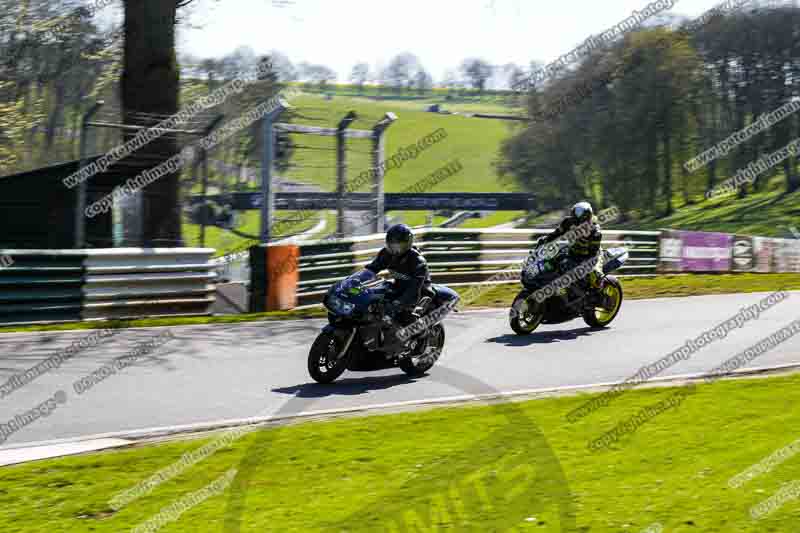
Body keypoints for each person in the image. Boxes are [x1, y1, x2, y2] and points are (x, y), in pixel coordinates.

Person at [365, 224, 432, 347]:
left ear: (407, 243)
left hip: (421, 290)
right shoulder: (386, 254)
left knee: (405, 314)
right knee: (374, 302)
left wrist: (399, 303)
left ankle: (423, 334)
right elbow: (372, 268)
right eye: (391, 244)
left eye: (398, 245)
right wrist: (356, 280)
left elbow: (414, 289)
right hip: (399, 286)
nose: (394, 248)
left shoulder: (417, 261)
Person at [536, 201, 604, 290]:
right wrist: (545, 240)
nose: (576, 222)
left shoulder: (595, 231)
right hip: (573, 251)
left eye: (579, 219)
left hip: (592, 256)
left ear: (587, 217)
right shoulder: (568, 222)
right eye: (574, 217)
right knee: (552, 262)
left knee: (595, 276)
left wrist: (581, 264)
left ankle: (597, 292)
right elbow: (557, 233)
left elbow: (593, 252)